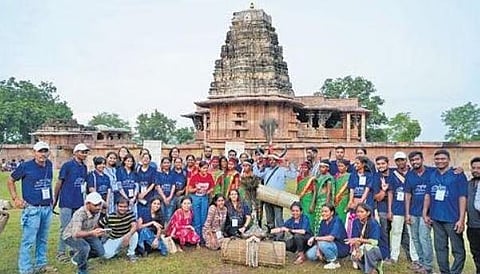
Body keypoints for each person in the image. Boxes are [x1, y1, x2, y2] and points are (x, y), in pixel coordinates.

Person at [7, 141, 56, 274]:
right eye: (40, 151)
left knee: (43, 238)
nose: (43, 154)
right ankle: (26, 269)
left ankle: (41, 264)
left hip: (46, 207)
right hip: (32, 208)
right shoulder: (26, 166)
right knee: (28, 240)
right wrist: (15, 198)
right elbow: (10, 180)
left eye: (45, 151)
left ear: (48, 152)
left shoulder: (49, 165)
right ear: (34, 152)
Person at [423, 149, 468, 274]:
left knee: (458, 249)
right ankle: (444, 271)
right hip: (436, 218)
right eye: (437, 159)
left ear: (448, 160)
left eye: (443, 159)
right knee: (440, 248)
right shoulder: (431, 174)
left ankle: (455, 272)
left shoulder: (457, 174)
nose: (440, 161)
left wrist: (461, 219)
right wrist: (425, 213)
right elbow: (427, 195)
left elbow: (462, 197)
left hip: (453, 219)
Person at [53, 143, 89, 262]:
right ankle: (61, 252)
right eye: (82, 152)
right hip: (67, 201)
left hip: (78, 202)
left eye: (85, 152)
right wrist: (55, 199)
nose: (84, 154)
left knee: (76, 228)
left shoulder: (84, 167)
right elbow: (59, 183)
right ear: (75, 153)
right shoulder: (67, 166)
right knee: (65, 228)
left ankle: (73, 249)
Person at [405, 151, 435, 274]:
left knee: (424, 238)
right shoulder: (410, 175)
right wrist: (407, 213)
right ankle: (421, 262)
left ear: (422, 159)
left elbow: (449, 170)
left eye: (417, 159)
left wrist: (459, 169)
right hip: (413, 212)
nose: (414, 162)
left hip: (427, 213)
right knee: (415, 238)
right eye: (412, 160)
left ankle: (428, 266)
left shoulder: (432, 172)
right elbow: (408, 194)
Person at [387, 151, 418, 266]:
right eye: (398, 160)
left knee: (412, 233)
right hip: (397, 207)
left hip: (412, 208)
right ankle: (394, 256)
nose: (400, 162)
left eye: (402, 160)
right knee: (396, 232)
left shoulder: (413, 172)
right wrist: (390, 210)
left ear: (406, 160)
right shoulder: (393, 174)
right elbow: (390, 192)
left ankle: (415, 257)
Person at [62, 192, 106, 274]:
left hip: (88, 233)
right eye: (95, 205)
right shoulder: (79, 213)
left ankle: (78, 258)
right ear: (88, 204)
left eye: (100, 204)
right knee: (85, 248)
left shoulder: (97, 211)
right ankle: (82, 270)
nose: (98, 207)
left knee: (100, 252)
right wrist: (92, 233)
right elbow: (76, 234)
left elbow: (94, 223)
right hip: (71, 235)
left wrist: (99, 230)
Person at [254, 153, 297, 230]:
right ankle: (271, 232)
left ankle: (280, 233)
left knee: (278, 217)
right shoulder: (266, 170)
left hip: (277, 197)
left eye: (274, 160)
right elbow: (257, 174)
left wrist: (290, 164)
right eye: (270, 160)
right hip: (267, 196)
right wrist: (256, 163)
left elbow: (293, 175)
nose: (272, 161)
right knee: (269, 217)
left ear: (277, 161)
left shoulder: (283, 170)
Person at [305, 203, 349, 270]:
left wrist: (314, 238)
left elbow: (331, 238)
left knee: (322, 244)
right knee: (310, 255)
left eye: (326, 211)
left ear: (332, 212)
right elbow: (320, 237)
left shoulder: (337, 221)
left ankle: (335, 262)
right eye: (322, 211)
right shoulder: (323, 222)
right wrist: (318, 250)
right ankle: (326, 257)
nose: (323, 213)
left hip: (340, 247)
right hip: (327, 245)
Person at [346, 203, 384, 274]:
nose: (359, 214)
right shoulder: (356, 222)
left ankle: (373, 269)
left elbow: (374, 242)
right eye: (358, 212)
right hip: (363, 247)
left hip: (378, 248)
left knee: (367, 248)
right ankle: (369, 268)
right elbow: (355, 238)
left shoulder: (373, 223)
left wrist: (358, 240)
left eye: (362, 212)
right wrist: (357, 250)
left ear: (368, 213)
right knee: (354, 256)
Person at [99, 198, 139, 262]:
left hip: (126, 236)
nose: (122, 209)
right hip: (114, 238)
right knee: (106, 255)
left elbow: (134, 226)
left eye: (125, 207)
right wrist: (103, 233)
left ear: (128, 207)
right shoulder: (110, 216)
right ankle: (116, 250)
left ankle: (131, 253)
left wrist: (128, 236)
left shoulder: (130, 214)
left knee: (135, 234)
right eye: (120, 206)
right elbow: (99, 225)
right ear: (116, 206)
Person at [346, 156, 374, 238]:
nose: (355, 165)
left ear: (363, 164)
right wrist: (351, 202)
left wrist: (361, 202)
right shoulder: (353, 175)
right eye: (355, 163)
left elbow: (367, 189)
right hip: (354, 201)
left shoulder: (369, 175)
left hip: (365, 202)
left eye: (357, 163)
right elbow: (351, 189)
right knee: (352, 222)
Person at [188, 161, 215, 242]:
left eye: (207, 168)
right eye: (204, 168)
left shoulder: (209, 176)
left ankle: (203, 239)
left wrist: (208, 191)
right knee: (196, 219)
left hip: (204, 198)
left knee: (204, 218)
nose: (205, 170)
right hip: (196, 198)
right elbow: (189, 189)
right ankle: (196, 239)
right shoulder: (195, 176)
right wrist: (196, 189)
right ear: (199, 168)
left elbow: (212, 187)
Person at [372, 156, 392, 261]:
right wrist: (383, 190)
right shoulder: (376, 177)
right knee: (384, 232)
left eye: (383, 164)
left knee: (403, 233)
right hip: (382, 208)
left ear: (388, 163)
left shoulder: (393, 174)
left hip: (398, 208)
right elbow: (377, 198)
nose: (381, 166)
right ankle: (386, 255)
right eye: (378, 164)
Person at [238, 158, 263, 225]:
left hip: (255, 197)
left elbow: (255, 185)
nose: (245, 167)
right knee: (247, 211)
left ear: (250, 167)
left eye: (247, 165)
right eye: (244, 166)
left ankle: (258, 224)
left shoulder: (255, 176)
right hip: (246, 197)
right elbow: (244, 187)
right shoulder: (241, 177)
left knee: (257, 211)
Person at [312, 160, 334, 233]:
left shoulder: (328, 178)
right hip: (318, 201)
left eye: (323, 167)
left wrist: (327, 205)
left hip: (324, 201)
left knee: (323, 219)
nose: (321, 169)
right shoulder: (318, 177)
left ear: (327, 168)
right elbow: (315, 191)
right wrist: (313, 203)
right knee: (316, 220)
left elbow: (328, 192)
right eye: (320, 167)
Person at [296, 161, 316, 230]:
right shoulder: (299, 178)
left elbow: (315, 192)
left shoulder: (312, 179)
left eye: (306, 168)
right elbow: (298, 189)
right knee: (300, 216)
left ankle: (310, 232)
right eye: (303, 168)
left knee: (308, 216)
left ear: (309, 169)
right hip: (301, 199)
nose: (304, 169)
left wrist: (312, 204)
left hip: (308, 199)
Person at [136, 153, 157, 218]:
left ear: (150, 160)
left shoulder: (153, 170)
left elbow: (153, 183)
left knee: (148, 213)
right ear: (141, 159)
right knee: (139, 213)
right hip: (139, 195)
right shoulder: (137, 169)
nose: (145, 159)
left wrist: (144, 193)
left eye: (147, 158)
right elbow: (135, 182)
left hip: (149, 194)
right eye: (144, 157)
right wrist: (138, 193)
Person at [156, 157, 176, 222]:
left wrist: (170, 197)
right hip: (161, 198)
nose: (166, 164)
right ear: (161, 164)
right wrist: (164, 198)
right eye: (164, 163)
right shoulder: (158, 174)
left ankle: (168, 230)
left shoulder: (173, 173)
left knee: (169, 215)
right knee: (162, 214)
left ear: (170, 164)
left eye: (168, 163)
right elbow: (158, 186)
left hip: (171, 198)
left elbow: (173, 186)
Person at [469, 157, 480, 273]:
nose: (476, 170)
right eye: (474, 168)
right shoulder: (469, 184)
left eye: (479, 168)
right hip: (472, 227)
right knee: (476, 253)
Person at [333, 159, 351, 224]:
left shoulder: (349, 176)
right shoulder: (336, 176)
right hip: (335, 199)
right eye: (339, 166)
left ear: (346, 167)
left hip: (344, 199)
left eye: (342, 166)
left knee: (343, 216)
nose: (340, 168)